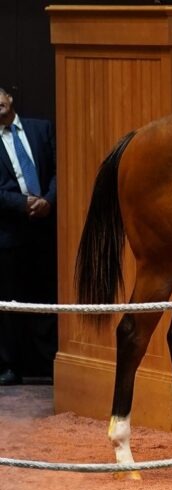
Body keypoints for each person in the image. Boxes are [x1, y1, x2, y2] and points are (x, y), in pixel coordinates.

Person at [0, 87, 57, 385]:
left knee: (47, 297)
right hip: (10, 232)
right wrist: (24, 204)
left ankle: (52, 364)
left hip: (48, 228)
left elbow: (62, 169)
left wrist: (48, 199)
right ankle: (11, 367)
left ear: (9, 98)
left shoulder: (41, 128)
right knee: (9, 303)